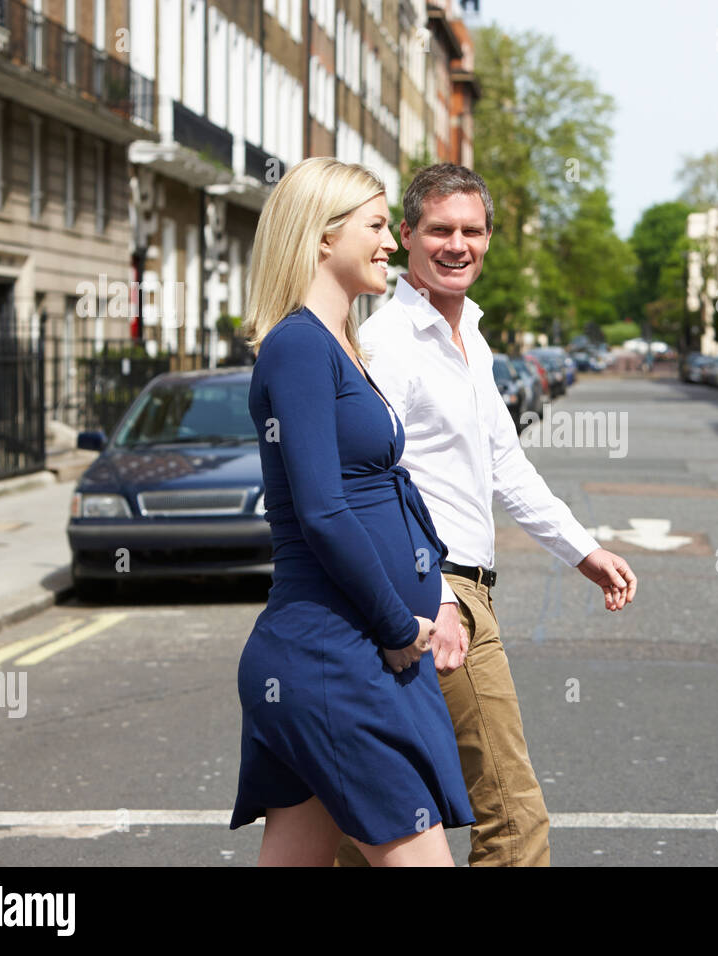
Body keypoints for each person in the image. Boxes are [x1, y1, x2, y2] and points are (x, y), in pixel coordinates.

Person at [334, 163, 638, 867]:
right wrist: (433, 594)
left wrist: (584, 553)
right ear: (406, 235)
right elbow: (366, 482)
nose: (457, 244)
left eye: (472, 230)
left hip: (454, 592)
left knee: (385, 816)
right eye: (439, 229)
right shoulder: (390, 344)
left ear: (490, 238)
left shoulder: (471, 337)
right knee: (511, 810)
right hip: (436, 596)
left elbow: (506, 466)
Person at [229, 157, 473, 866]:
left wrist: (436, 594)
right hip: (335, 657)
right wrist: (398, 625)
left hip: (342, 653)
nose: (391, 243)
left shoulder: (340, 345)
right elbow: (324, 512)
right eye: (375, 225)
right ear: (321, 237)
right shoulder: (300, 345)